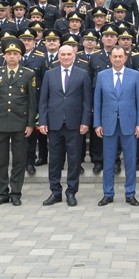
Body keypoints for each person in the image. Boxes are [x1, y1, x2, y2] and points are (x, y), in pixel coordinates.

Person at [38, 42, 92, 207]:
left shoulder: (82, 74)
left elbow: (86, 101)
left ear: (74, 56)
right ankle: (55, 192)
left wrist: (85, 122)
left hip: (74, 124)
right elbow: (43, 101)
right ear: (58, 57)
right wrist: (43, 121)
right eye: (63, 54)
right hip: (54, 124)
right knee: (54, 160)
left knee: (74, 160)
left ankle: (71, 192)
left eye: (69, 54)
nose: (66, 57)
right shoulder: (49, 74)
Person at [0, 38, 37, 207]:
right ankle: (2, 193)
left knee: (18, 160)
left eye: (15, 54)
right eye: (9, 54)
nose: (12, 57)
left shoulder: (28, 74)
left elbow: (32, 102)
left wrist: (30, 124)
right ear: (4, 56)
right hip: (0, 122)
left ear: (20, 56)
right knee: (1, 161)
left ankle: (16, 192)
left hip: (20, 123)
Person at [94, 46, 139, 207]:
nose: (117, 59)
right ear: (110, 58)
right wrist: (97, 124)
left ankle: (130, 193)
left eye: (120, 56)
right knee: (108, 161)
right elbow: (97, 102)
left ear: (125, 58)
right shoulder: (102, 76)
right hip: (108, 123)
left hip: (129, 124)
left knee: (130, 161)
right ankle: (108, 193)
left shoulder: (135, 75)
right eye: (114, 56)